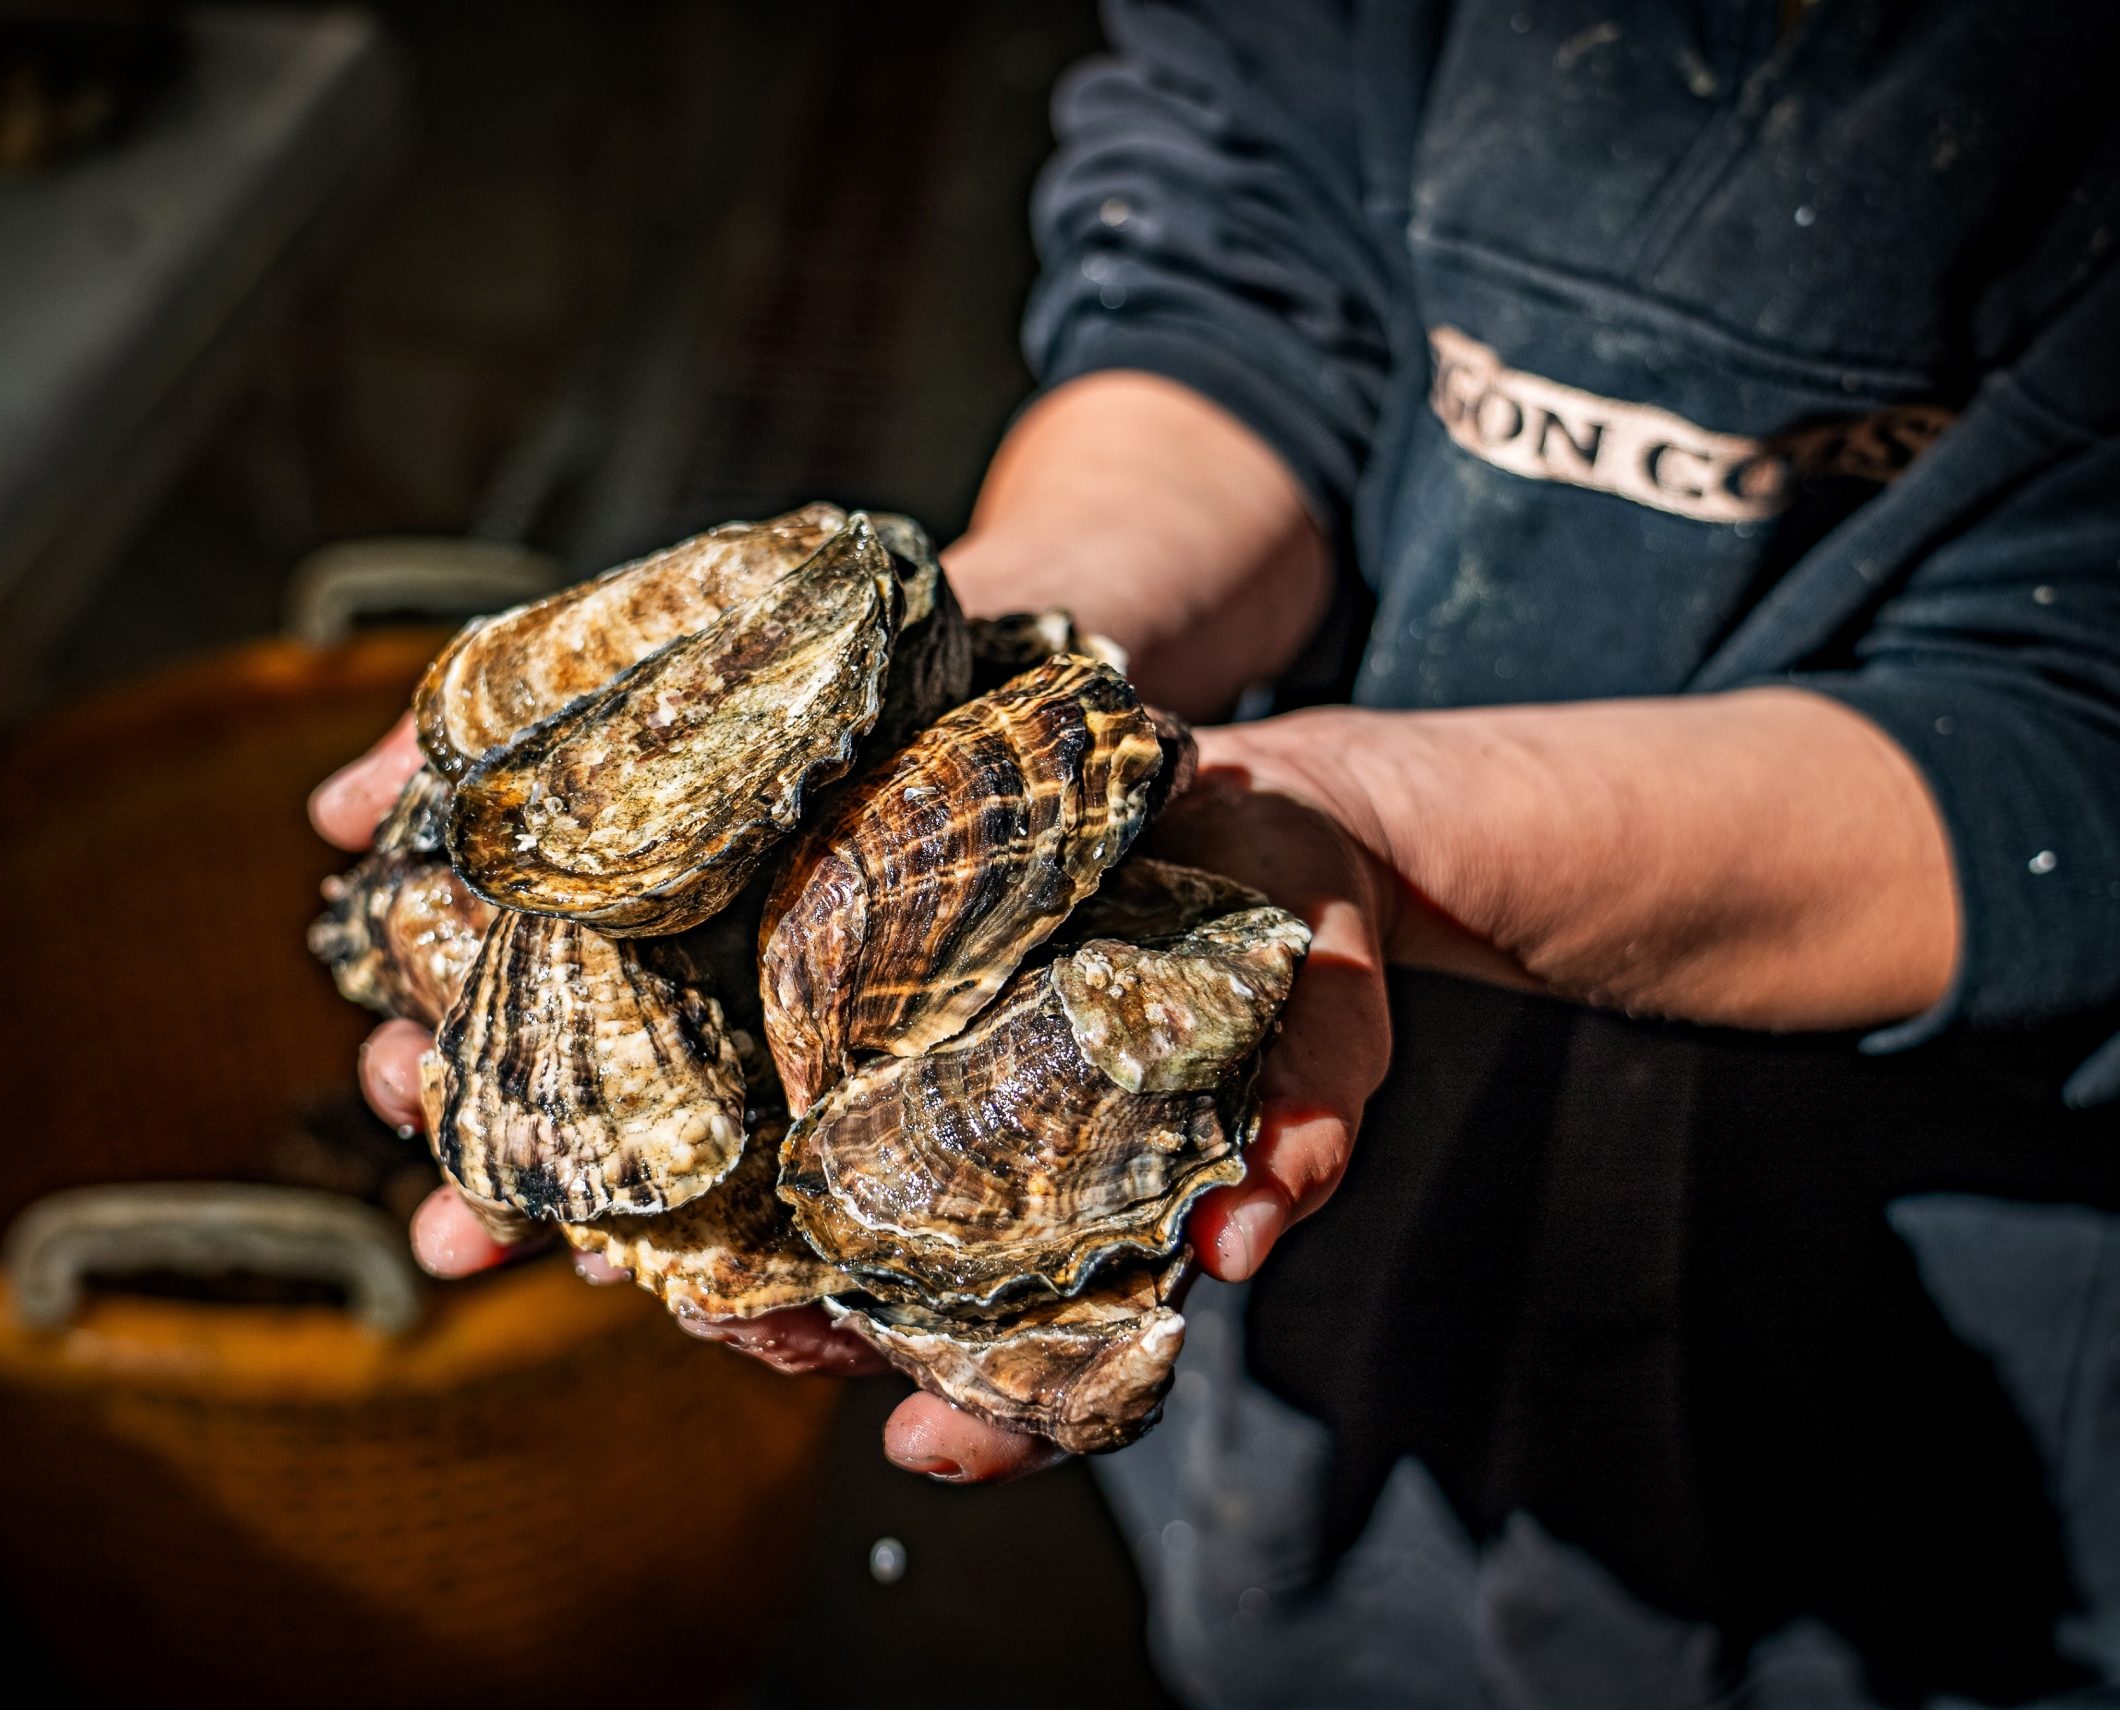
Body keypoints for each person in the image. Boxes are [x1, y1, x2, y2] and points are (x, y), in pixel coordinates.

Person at [314, 2, 2120, 1701]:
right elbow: (1243, 280)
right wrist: (993, 649)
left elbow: (2071, 728)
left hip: (1931, 1318)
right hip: (1352, 1297)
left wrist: (1387, 829)